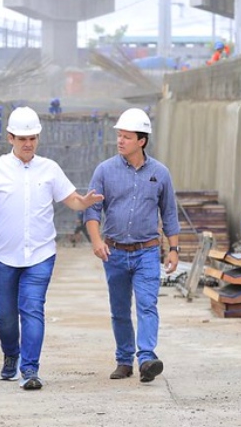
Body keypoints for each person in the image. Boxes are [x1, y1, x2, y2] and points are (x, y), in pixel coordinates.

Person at [0, 106, 103, 391]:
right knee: (6, 314)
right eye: (22, 138)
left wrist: (83, 203)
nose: (28, 144)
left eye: (33, 138)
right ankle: (11, 354)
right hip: (3, 257)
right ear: (10, 138)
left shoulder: (50, 169)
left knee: (33, 308)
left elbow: (70, 199)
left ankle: (30, 369)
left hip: (40, 254)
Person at [85, 107, 180, 384]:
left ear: (142, 140)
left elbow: (169, 213)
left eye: (127, 137)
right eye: (119, 135)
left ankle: (147, 357)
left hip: (147, 252)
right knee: (119, 309)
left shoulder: (160, 173)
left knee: (148, 304)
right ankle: (124, 360)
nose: (120, 141)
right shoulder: (104, 171)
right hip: (114, 252)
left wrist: (174, 249)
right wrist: (96, 241)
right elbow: (91, 211)